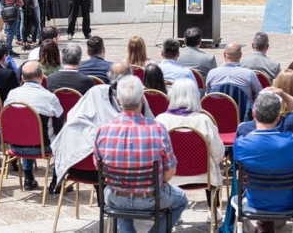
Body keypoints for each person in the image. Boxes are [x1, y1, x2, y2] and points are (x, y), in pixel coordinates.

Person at [93, 75, 188, 232]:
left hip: (117, 196)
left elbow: (99, 166)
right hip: (150, 197)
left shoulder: (103, 130)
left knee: (117, 190)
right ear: (143, 99)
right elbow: (170, 171)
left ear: (118, 101)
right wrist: (156, 183)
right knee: (181, 200)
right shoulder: (158, 129)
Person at [52, 63, 155, 189]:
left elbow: (70, 119)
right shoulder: (138, 97)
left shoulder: (94, 94)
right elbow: (152, 129)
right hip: (120, 172)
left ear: (110, 77)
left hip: (76, 167)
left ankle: (104, 201)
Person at [155, 78, 225, 222]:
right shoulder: (204, 120)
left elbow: (155, 152)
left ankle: (173, 212)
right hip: (204, 175)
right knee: (215, 163)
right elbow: (217, 152)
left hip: (170, 176)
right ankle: (213, 211)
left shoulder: (161, 120)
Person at [234, 91, 293, 233]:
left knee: (236, 198)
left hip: (256, 201)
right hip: (288, 201)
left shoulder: (241, 144)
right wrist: (282, 93)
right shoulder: (291, 141)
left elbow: (238, 169)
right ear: (278, 117)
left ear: (254, 114)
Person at [4, 61, 65, 192]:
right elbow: (60, 124)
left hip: (15, 146)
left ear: (22, 77)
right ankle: (56, 182)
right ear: (42, 76)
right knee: (63, 138)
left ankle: (28, 176)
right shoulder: (49, 97)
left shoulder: (12, 95)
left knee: (25, 130)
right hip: (42, 147)